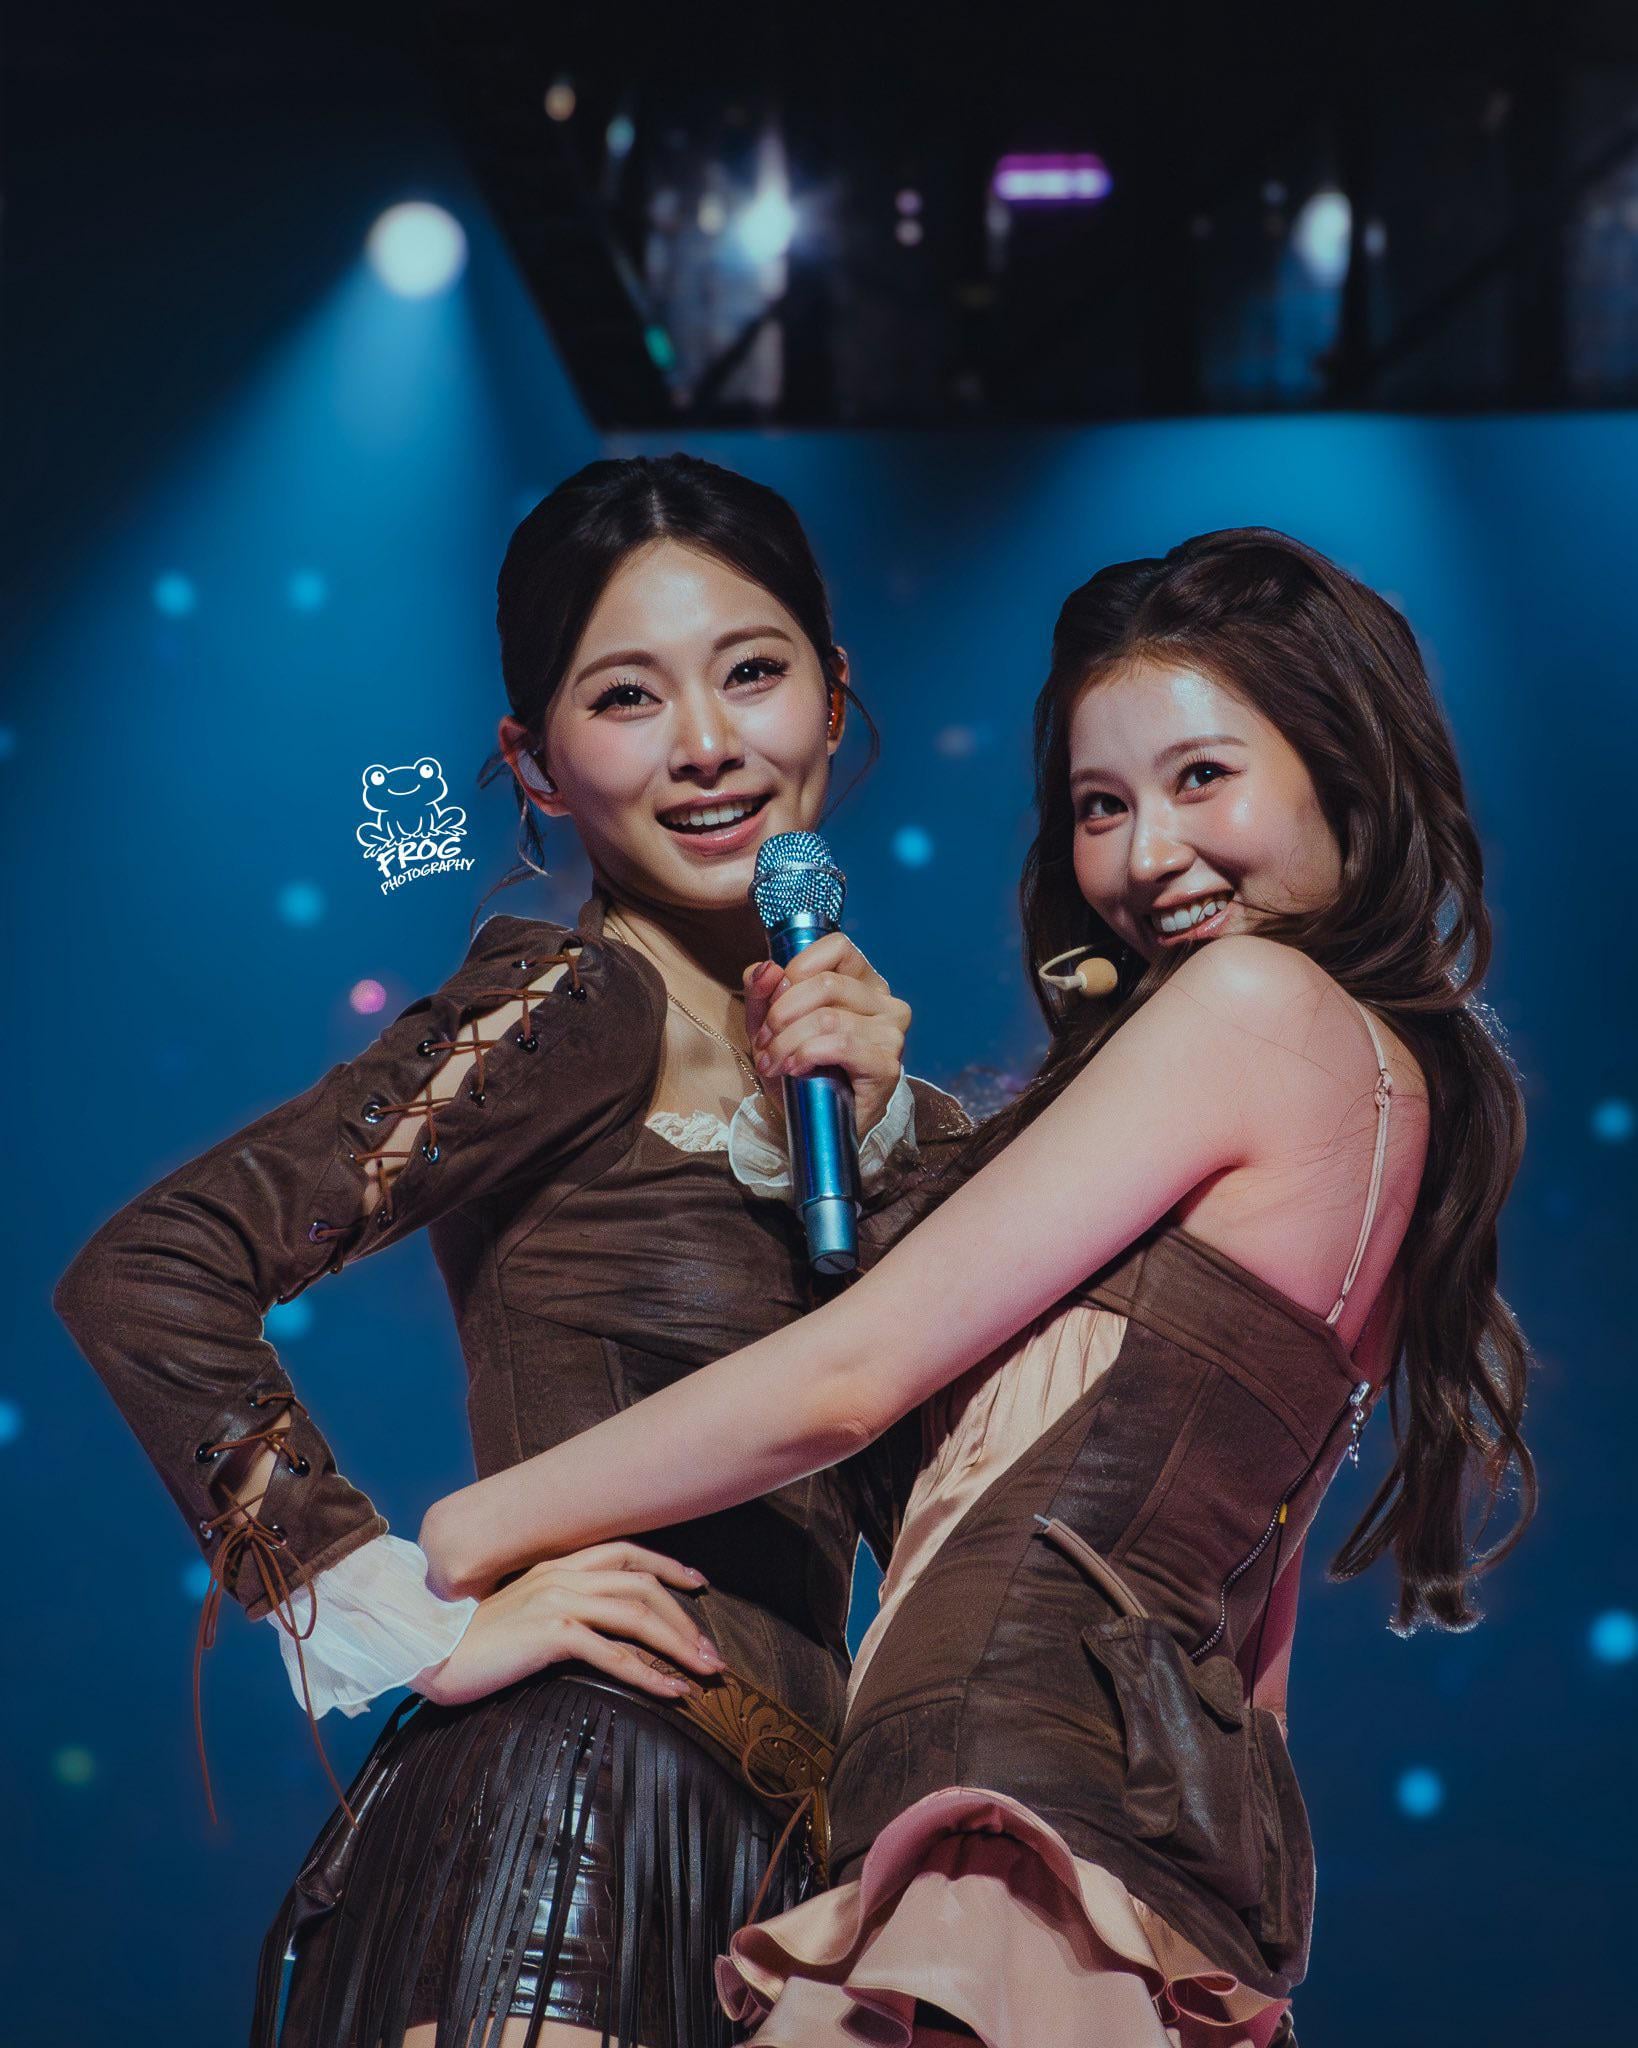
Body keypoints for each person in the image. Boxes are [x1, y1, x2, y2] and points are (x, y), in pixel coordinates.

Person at [412, 528, 1537, 2048]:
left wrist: (466, 1540)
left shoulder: (1254, 1003)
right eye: (1100, 805)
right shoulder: (1395, 1095)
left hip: (999, 1846)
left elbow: (846, 1381)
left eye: (1202, 777)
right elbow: (1243, 1638)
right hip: (1122, 1882)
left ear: (1348, 770)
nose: (1146, 855)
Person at [50, 452, 970, 2048]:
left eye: (751, 673)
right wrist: (391, 1605)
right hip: (573, 1811)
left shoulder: (874, 1100)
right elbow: (153, 1267)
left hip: (782, 1857)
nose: (705, 743)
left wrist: (883, 1142)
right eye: (625, 697)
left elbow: (928, 1500)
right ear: (535, 764)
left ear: (833, 698)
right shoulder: (573, 1003)